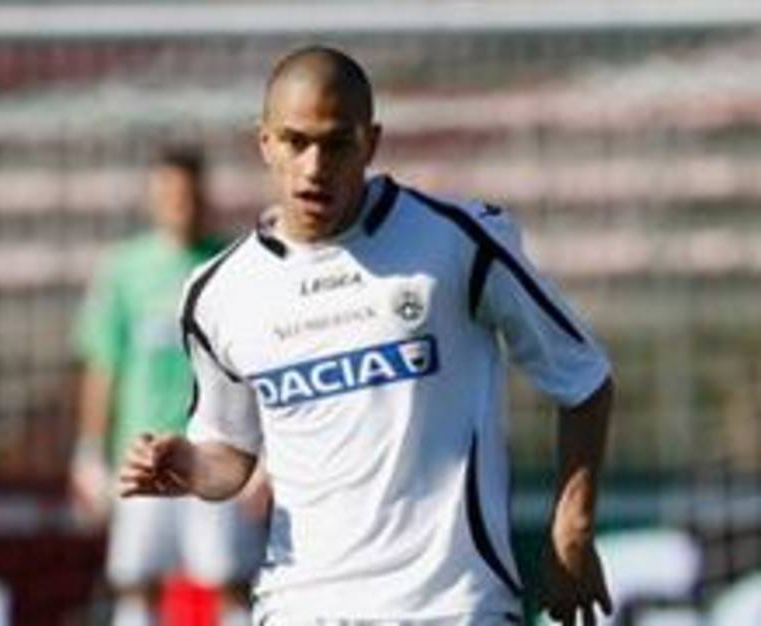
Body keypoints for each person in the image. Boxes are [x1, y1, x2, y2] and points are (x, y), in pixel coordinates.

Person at [119, 46, 614, 626]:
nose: (314, 166)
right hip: (299, 606)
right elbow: (230, 455)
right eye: (296, 141)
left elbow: (583, 380)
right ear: (265, 143)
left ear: (371, 143)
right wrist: (188, 463)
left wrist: (572, 527)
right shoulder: (219, 293)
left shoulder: (457, 242)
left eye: (337, 143)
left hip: (451, 608)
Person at [71, 145, 267, 626]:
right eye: (169, 195)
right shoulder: (125, 270)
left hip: (215, 451)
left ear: (204, 197)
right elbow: (104, 363)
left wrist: (264, 454)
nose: (180, 205)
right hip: (143, 452)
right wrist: (89, 452)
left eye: (188, 195)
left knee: (228, 580)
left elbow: (257, 366)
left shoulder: (230, 265)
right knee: (136, 582)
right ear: (154, 199)